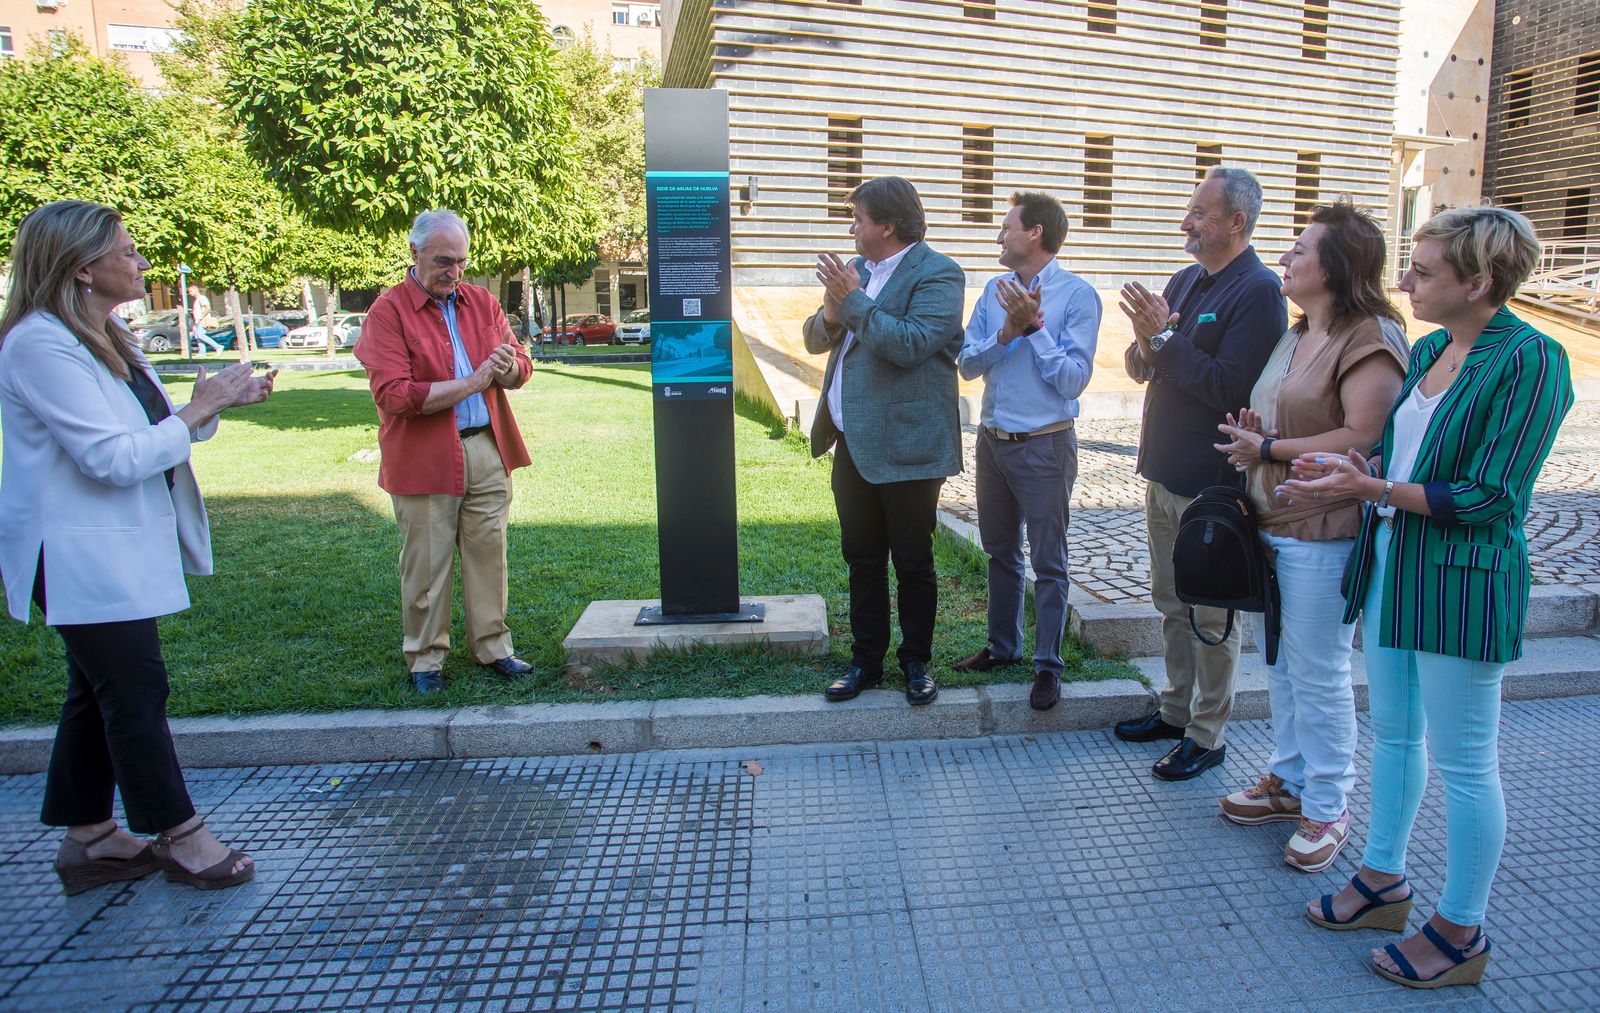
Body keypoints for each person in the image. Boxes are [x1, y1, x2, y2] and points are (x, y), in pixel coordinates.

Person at [1282, 206, 1572, 988]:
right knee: (1398, 740)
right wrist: (1349, 471)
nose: (1404, 280)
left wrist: (1369, 483)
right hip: (1394, 571)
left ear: (1479, 281)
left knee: (1467, 763)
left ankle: (1461, 928)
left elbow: (1491, 494)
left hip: (1463, 586)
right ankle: (1383, 879)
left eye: (1424, 270)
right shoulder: (1437, 345)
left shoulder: (1532, 361)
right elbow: (1404, 450)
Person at [0, 200, 275, 894]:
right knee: (134, 687)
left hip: (110, 548)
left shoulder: (108, 336)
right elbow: (110, 457)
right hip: (72, 553)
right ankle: (179, 835)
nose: (141, 262)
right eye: (127, 252)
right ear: (82, 267)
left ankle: (89, 837)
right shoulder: (39, 343)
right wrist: (198, 410)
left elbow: (158, 432)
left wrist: (217, 402)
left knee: (94, 693)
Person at [1211, 200, 1408, 872]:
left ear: (1339, 264)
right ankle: (1289, 779)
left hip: (1324, 528)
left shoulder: (1370, 333)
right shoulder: (1298, 334)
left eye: (1301, 248)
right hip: (1274, 523)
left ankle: (1329, 802)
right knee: (1283, 664)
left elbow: (1365, 433)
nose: (1287, 258)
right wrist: (1255, 434)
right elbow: (1281, 418)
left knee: (1320, 671)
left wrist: (1267, 446)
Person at [1111, 166, 1286, 780]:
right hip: (1163, 471)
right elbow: (1143, 367)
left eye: (1200, 214)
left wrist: (1164, 339)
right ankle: (1175, 709)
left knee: (1211, 616)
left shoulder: (1259, 291)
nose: (1186, 223)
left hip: (1211, 484)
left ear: (1236, 222)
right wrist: (1146, 339)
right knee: (1170, 601)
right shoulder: (1186, 280)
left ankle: (1208, 734)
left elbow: (1229, 389)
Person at [354, 209, 535, 695]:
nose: (453, 272)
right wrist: (474, 381)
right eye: (441, 261)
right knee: (427, 564)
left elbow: (520, 365)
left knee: (488, 556)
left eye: (460, 261)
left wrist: (508, 368)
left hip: (485, 449)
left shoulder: (481, 302)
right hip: (424, 455)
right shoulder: (387, 312)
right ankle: (426, 659)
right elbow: (395, 395)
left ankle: (494, 647)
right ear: (413, 254)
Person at [804, 176, 965, 706]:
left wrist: (850, 301)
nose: (852, 226)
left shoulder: (940, 273)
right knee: (862, 558)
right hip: (852, 442)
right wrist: (833, 307)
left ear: (888, 226)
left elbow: (911, 343)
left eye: (858, 218)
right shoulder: (861, 274)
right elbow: (813, 337)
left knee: (913, 561)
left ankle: (916, 662)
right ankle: (865, 663)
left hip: (909, 446)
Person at [953, 191, 1100, 710]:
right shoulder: (992, 292)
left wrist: (1033, 330)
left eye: (1006, 226)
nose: (998, 236)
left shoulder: (1079, 296)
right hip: (993, 443)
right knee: (999, 552)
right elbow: (968, 365)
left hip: (1045, 446)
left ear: (1034, 232)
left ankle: (1047, 666)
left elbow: (1072, 380)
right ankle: (1003, 647)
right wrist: (1006, 332)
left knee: (1050, 562)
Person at [188, 284, 223, 355]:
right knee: (198, 336)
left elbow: (207, 307)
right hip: (198, 321)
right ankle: (202, 353)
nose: (189, 293)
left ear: (195, 290)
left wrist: (202, 316)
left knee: (200, 335)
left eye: (190, 291)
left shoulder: (202, 298)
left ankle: (218, 347)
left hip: (203, 320)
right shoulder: (197, 300)